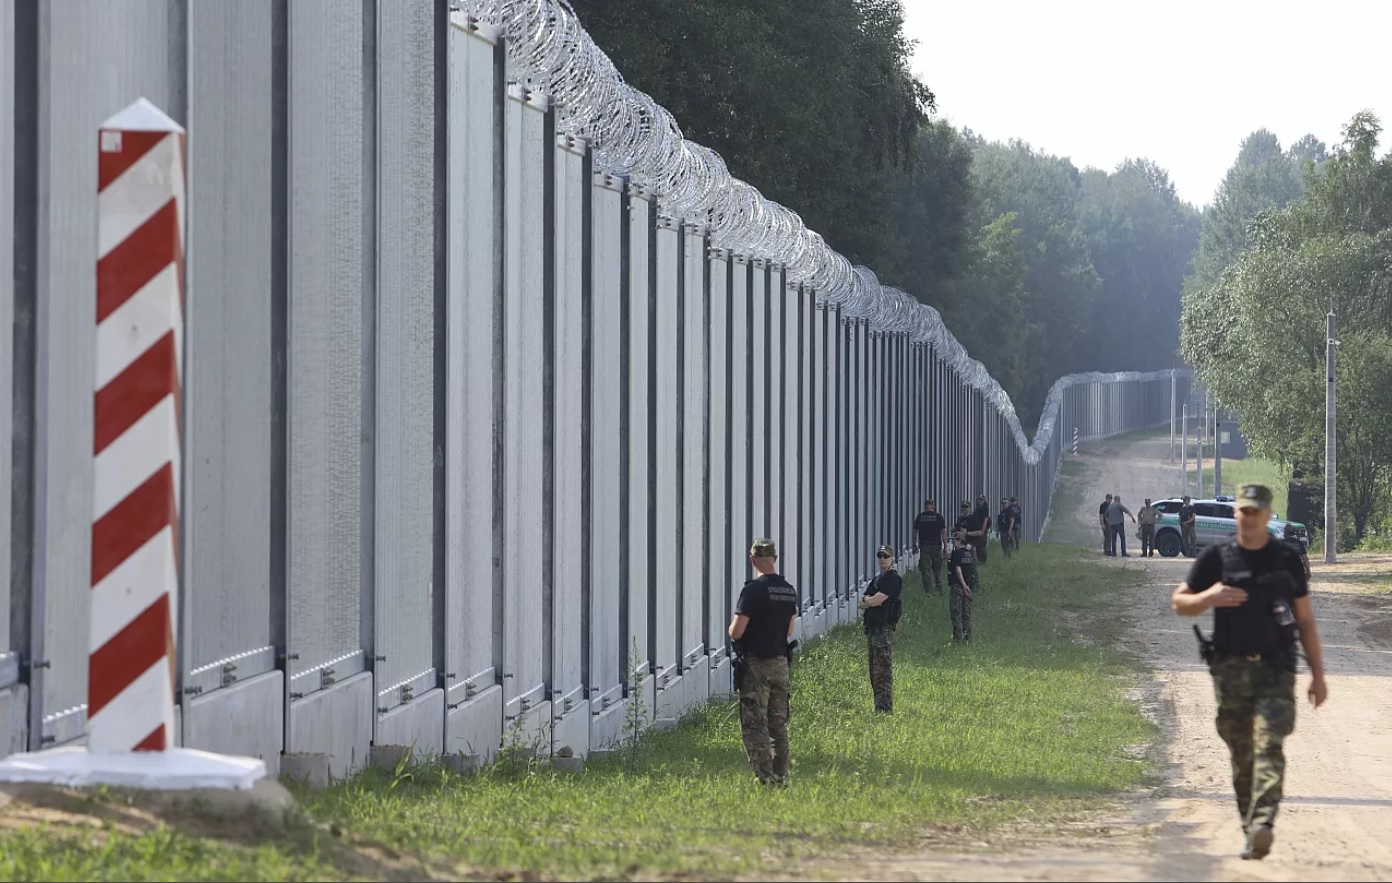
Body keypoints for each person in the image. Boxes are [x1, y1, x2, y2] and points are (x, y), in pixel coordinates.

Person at [1170, 484, 1328, 861]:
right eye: (1245, 511)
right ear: (1237, 513)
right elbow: (1180, 602)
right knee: (1242, 756)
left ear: (1268, 513)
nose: (1250, 517)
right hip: (1230, 672)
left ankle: (1264, 823)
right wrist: (1208, 598)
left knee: (1268, 744)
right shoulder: (1217, 558)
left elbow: (1305, 620)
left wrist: (1318, 675)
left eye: (1257, 511)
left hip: (1276, 670)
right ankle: (1251, 829)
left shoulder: (1285, 559)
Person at [729, 538, 799, 786]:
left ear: (752, 560)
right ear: (775, 559)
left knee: (755, 724)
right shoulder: (788, 590)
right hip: (781, 664)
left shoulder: (752, 591)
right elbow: (790, 630)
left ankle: (765, 779)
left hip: (756, 667)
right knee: (777, 724)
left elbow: (737, 632)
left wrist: (731, 630)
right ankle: (781, 777)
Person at [858, 544, 903, 713]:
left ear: (892, 558)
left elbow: (877, 600)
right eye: (880, 556)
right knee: (874, 671)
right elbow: (861, 603)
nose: (882, 559)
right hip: (873, 629)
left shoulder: (892, 579)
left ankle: (885, 708)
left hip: (883, 630)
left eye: (886, 556)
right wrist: (868, 600)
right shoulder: (878, 579)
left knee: (883, 671)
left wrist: (869, 600)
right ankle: (879, 707)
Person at [912, 498, 948, 596]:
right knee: (937, 569)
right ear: (933, 506)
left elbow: (915, 532)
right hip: (936, 546)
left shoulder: (920, 517)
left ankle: (928, 591)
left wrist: (914, 544)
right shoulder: (939, 517)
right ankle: (939, 589)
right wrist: (945, 546)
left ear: (925, 506)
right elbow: (943, 532)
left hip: (924, 546)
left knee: (925, 569)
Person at [947, 532, 976, 643]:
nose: (954, 541)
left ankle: (958, 639)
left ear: (959, 540)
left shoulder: (957, 553)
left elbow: (958, 570)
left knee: (956, 613)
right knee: (966, 614)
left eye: (955, 539)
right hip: (967, 586)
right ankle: (968, 637)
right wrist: (968, 586)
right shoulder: (968, 553)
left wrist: (963, 585)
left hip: (958, 586)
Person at [972, 495, 993, 563]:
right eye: (979, 499)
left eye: (982, 499)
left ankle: (983, 561)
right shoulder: (976, 509)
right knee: (977, 546)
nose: (980, 501)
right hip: (976, 530)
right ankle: (979, 560)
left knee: (982, 546)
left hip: (982, 530)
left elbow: (985, 520)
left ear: (984, 501)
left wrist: (982, 531)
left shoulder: (985, 509)